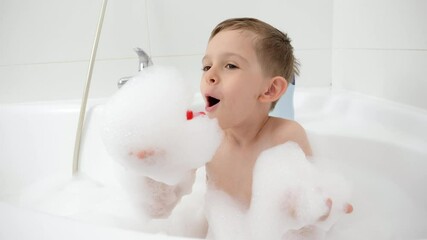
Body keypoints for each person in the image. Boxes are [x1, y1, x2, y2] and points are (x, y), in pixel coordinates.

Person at [134, 17, 352, 236]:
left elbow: (304, 204)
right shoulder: (205, 137)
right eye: (206, 66)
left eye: (230, 65)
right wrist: (154, 169)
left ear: (270, 90)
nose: (210, 75)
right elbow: (161, 203)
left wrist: (316, 210)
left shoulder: (285, 135)